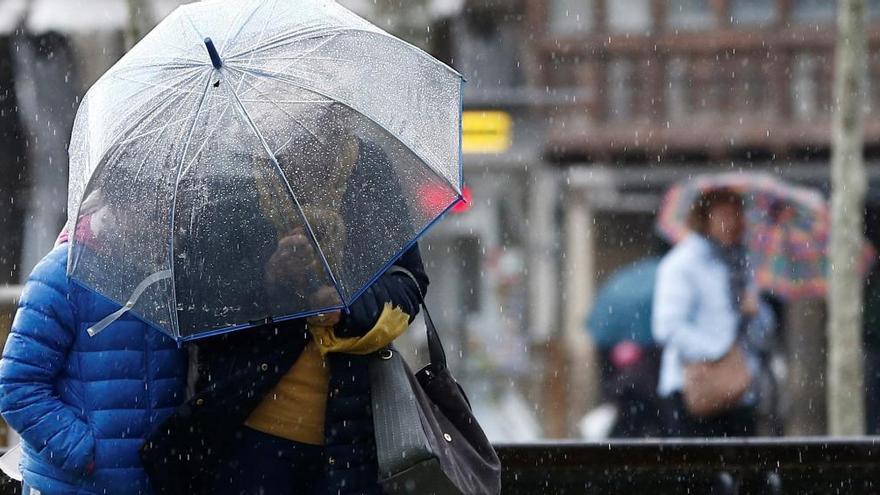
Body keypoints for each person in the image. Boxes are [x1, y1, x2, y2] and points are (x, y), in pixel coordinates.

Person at [142, 121, 428, 494]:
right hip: (249, 440)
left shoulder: (368, 169)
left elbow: (408, 279)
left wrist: (347, 309)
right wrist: (272, 282)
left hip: (351, 440)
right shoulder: (232, 175)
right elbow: (199, 297)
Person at [0, 186, 189, 494]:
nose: (162, 218)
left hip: (149, 481)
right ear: (116, 203)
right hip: (74, 484)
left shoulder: (168, 278)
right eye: (150, 204)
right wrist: (80, 451)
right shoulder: (60, 274)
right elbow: (17, 386)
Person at [652, 189, 773, 437]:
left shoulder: (742, 265)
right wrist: (717, 352)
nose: (732, 223)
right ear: (704, 217)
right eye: (724, 215)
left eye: (736, 215)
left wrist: (755, 312)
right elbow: (668, 327)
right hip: (694, 389)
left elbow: (759, 332)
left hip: (740, 391)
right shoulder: (682, 264)